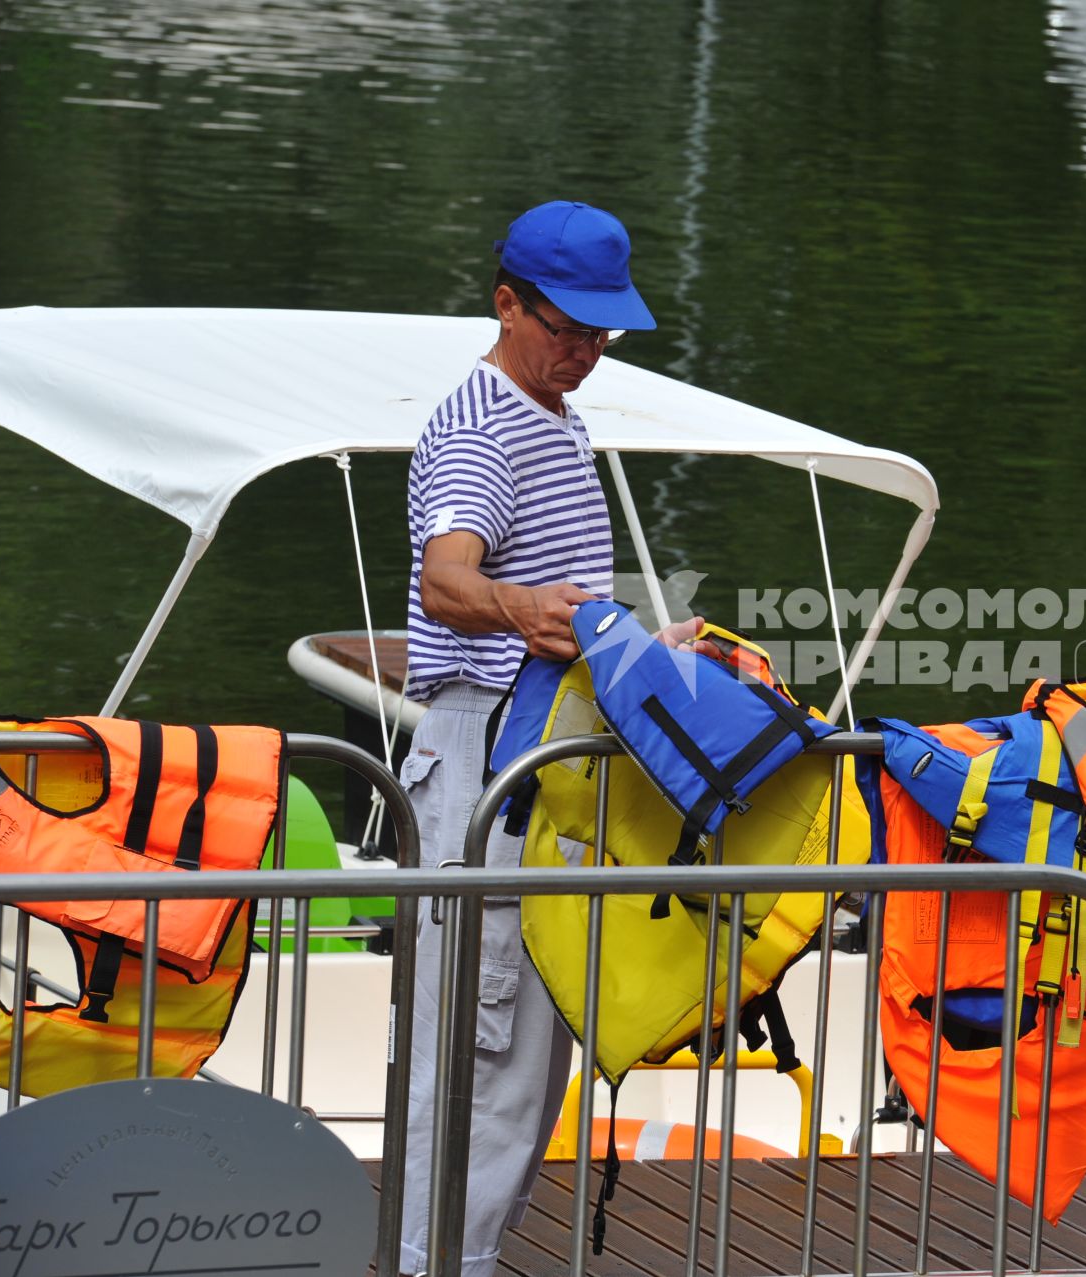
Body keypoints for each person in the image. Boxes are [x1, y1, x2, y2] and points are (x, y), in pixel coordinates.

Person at [396, 199, 697, 1277]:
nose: (587, 351)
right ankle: (440, 1259)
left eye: (603, 332)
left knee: (523, 1051)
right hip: (491, 765)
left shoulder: (552, 417)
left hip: (536, 765)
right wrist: (525, 612)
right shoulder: (486, 425)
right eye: (567, 327)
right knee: (483, 1048)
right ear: (506, 301)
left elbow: (534, 605)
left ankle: (457, 1255)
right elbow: (448, 579)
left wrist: (646, 647)